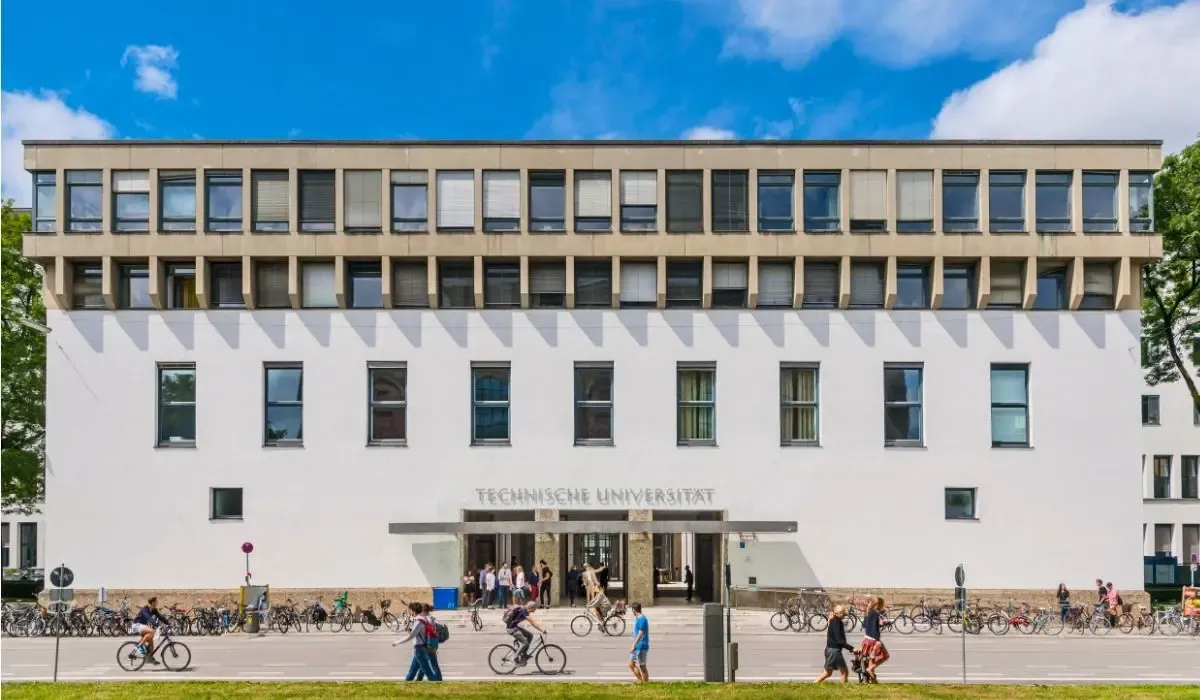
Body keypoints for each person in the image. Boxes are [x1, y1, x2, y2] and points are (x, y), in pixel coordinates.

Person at [392, 602, 439, 681]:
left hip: (420, 649)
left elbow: (410, 636)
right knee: (412, 671)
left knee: (428, 672)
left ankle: (438, 688)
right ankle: (406, 688)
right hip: (423, 647)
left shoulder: (419, 621)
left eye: (410, 611)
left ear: (413, 611)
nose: (410, 613)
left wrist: (396, 642)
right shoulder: (424, 619)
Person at [815, 605, 854, 683]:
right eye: (843, 614)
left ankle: (814, 685)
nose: (844, 616)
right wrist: (851, 648)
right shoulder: (836, 622)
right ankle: (843, 691)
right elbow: (839, 640)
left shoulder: (834, 621)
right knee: (844, 672)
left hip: (830, 650)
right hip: (834, 651)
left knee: (828, 673)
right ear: (840, 613)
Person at [858, 597, 889, 683]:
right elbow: (874, 630)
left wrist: (878, 624)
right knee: (885, 656)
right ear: (878, 605)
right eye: (881, 605)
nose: (882, 607)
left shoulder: (867, 612)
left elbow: (865, 625)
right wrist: (878, 640)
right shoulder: (875, 614)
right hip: (874, 640)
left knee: (872, 659)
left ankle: (873, 680)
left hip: (866, 639)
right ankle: (870, 669)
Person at [413, 603, 444, 682]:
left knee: (432, 664)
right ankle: (419, 679)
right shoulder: (431, 618)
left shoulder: (427, 619)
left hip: (428, 644)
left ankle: (438, 680)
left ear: (423, 611)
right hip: (432, 643)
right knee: (424, 663)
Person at [131, 597, 164, 665]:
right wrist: (155, 624)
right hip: (137, 625)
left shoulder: (154, 610)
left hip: (143, 626)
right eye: (156, 602)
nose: (157, 603)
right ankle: (139, 646)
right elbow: (148, 617)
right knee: (152, 631)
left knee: (151, 641)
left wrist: (168, 623)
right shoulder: (145, 609)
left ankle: (149, 658)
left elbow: (161, 617)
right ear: (152, 602)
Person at [628, 602, 650, 682]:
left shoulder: (642, 619)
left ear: (633, 610)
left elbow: (641, 633)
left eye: (632, 610)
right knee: (631, 664)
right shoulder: (638, 618)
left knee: (642, 666)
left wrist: (633, 645)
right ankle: (641, 681)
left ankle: (646, 684)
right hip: (637, 645)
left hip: (641, 645)